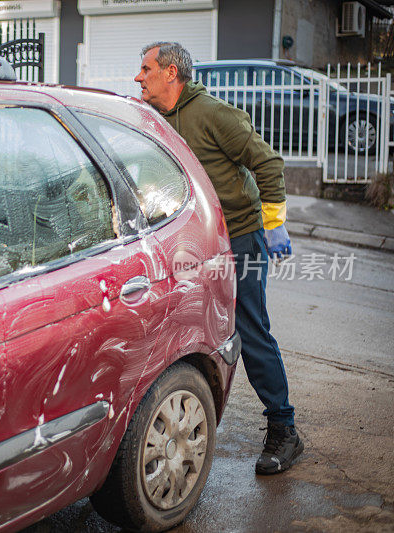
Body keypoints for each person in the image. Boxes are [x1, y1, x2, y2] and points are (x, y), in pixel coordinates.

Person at [134, 42, 302, 474]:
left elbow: (267, 163)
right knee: (182, 326)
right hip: (191, 240)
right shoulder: (153, 118)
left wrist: (272, 222)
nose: (139, 77)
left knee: (250, 329)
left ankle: (284, 428)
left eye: (146, 69)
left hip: (240, 237)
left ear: (171, 73)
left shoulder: (212, 114)